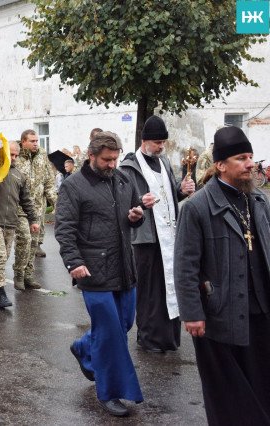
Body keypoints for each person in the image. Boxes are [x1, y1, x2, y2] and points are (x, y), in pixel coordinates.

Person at [174, 126, 270, 425]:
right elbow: (185, 265)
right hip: (219, 315)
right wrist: (192, 313)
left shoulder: (259, 201)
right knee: (227, 394)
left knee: (263, 385)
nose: (250, 164)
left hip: (261, 312)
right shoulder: (196, 207)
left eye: (250, 157)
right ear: (220, 165)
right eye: (241, 158)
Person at [56, 131, 145, 417]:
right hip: (92, 270)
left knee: (124, 323)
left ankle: (84, 347)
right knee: (110, 335)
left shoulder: (124, 179)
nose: (112, 164)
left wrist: (137, 216)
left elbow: (134, 213)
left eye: (115, 159)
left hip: (124, 267)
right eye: (107, 159)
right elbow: (64, 229)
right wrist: (73, 262)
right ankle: (110, 393)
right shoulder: (73, 186)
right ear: (91, 156)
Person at [120, 116, 195, 353]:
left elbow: (169, 195)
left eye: (163, 142)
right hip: (146, 239)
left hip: (170, 236)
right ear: (144, 141)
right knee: (150, 290)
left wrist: (181, 190)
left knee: (169, 286)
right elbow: (122, 202)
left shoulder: (164, 162)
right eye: (157, 143)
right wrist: (139, 201)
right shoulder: (129, 167)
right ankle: (149, 337)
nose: (161, 146)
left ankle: (169, 338)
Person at [0, 141, 39, 308]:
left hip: (10, 222)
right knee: (0, 256)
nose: (14, 158)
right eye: (11, 154)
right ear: (3, 153)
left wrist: (33, 219)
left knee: (1, 258)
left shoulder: (19, 175)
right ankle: (0, 291)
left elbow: (26, 199)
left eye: (16, 155)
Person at [13, 130, 57, 288]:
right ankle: (18, 274)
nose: (35, 144)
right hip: (19, 208)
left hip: (37, 208)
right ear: (23, 141)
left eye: (37, 141)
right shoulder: (15, 156)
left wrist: (55, 201)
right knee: (24, 239)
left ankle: (27, 275)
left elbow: (49, 180)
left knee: (33, 242)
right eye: (32, 141)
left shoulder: (42, 155)